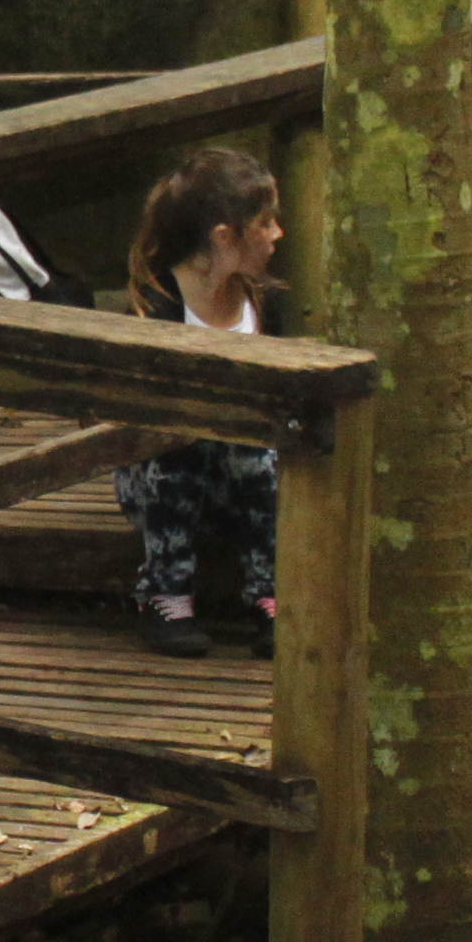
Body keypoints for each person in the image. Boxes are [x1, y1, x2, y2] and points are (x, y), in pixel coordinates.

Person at [117, 147, 284, 661]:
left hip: (243, 476)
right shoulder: (157, 307)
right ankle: (165, 595)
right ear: (224, 238)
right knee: (177, 445)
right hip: (164, 477)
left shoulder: (263, 301)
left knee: (256, 451)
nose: (278, 234)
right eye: (265, 223)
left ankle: (272, 593)